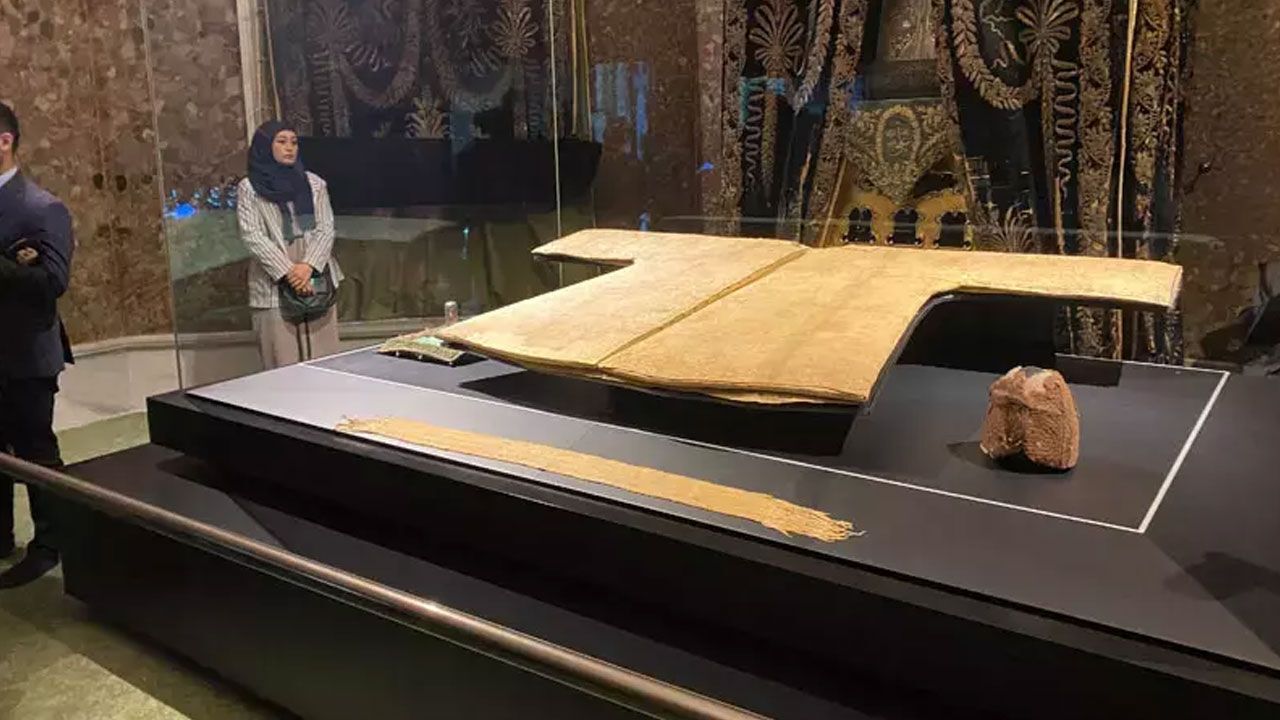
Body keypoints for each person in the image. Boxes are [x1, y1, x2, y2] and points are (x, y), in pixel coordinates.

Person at [0, 102, 74, 588]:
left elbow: (52, 282)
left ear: (5, 141)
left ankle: (50, 544)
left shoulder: (42, 207)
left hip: (26, 354)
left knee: (35, 453)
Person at [237, 121, 343, 369]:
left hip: (315, 274)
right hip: (275, 280)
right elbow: (252, 235)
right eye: (282, 142)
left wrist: (308, 267)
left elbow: (325, 228)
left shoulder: (314, 183)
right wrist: (289, 272)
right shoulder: (250, 188)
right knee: (282, 359)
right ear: (266, 146)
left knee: (323, 357)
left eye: (294, 142)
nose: (289, 148)